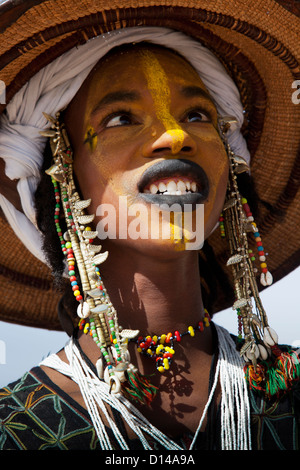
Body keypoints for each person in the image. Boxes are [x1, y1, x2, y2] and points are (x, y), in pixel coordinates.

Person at [0, 0, 299, 451]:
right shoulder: (15, 430)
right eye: (121, 118)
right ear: (59, 175)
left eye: (198, 116)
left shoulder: (291, 393)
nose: (176, 137)